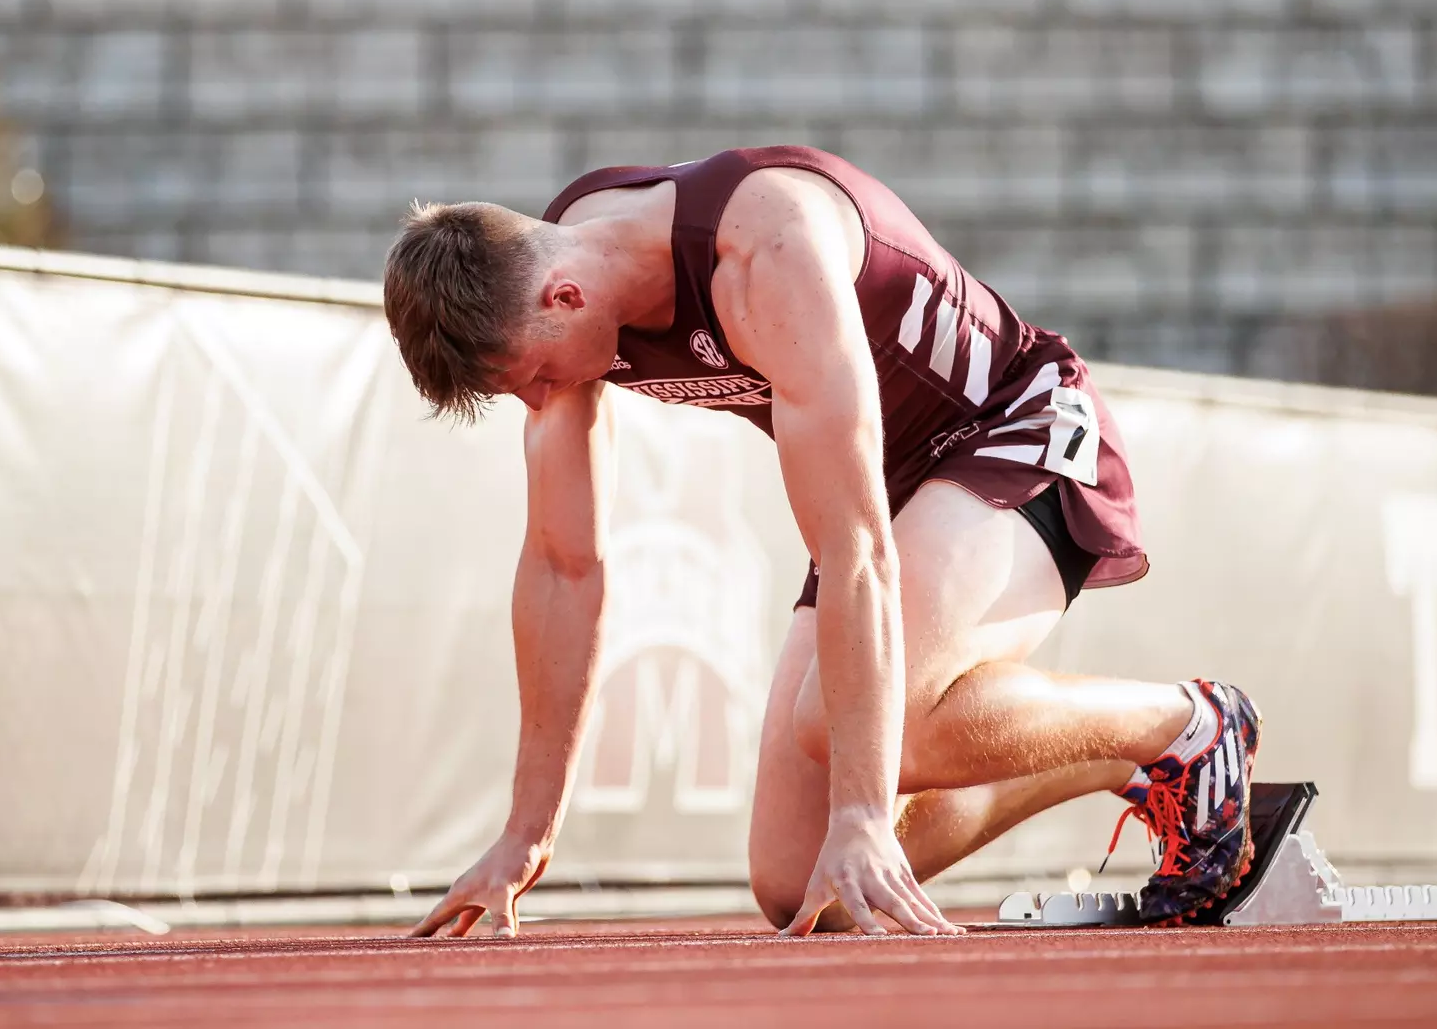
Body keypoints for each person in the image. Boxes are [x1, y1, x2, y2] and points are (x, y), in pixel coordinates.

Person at [386, 146, 1260, 938]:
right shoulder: (555, 272)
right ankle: (1120, 762)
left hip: (1009, 425)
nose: (540, 403)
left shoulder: (767, 254)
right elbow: (562, 564)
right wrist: (525, 836)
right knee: (800, 887)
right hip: (882, 480)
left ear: (564, 295)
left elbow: (859, 555)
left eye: (534, 378)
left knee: (864, 743)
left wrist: (868, 814)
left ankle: (1191, 722)